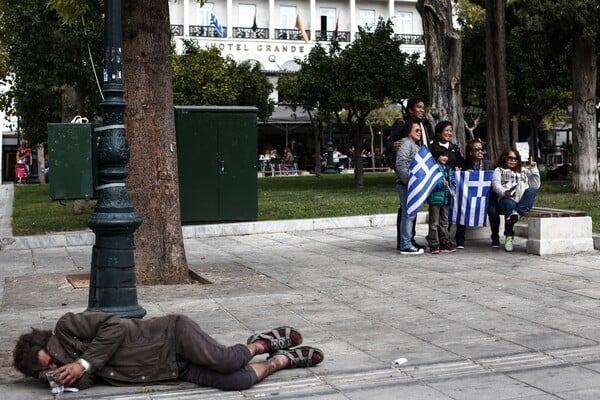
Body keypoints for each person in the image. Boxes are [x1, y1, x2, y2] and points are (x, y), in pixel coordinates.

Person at [13, 311, 324, 392]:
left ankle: (262, 342)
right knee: (236, 381)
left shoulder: (67, 326)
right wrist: (64, 379)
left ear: (46, 344)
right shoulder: (67, 373)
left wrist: (82, 361)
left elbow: (115, 327)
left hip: (172, 336)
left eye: (51, 359)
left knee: (227, 359)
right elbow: (86, 383)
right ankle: (281, 361)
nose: (56, 364)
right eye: (48, 368)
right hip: (170, 369)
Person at [386, 96, 434, 251]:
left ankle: (410, 239)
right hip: (408, 174)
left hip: (422, 172)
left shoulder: (426, 125)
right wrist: (392, 145)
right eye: (418, 107)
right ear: (411, 109)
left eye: (423, 107)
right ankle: (404, 241)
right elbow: (391, 143)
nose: (422, 110)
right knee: (406, 209)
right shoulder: (403, 125)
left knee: (413, 207)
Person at [492, 147, 541, 252]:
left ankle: (516, 214)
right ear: (504, 158)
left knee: (531, 191)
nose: (513, 160)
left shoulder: (524, 170)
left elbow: (536, 185)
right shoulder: (499, 170)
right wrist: (505, 192)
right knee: (510, 205)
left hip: (523, 201)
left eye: (516, 158)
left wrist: (534, 170)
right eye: (510, 158)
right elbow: (496, 185)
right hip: (507, 199)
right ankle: (509, 237)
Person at [455, 139, 501, 247]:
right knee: (462, 208)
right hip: (469, 197)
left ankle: (495, 238)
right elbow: (456, 178)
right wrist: (463, 173)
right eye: (477, 149)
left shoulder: (489, 165)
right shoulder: (464, 164)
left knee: (493, 211)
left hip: (487, 197)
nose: (480, 151)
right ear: (470, 152)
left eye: (482, 149)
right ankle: (460, 239)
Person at [395, 120, 425, 255]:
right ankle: (405, 244)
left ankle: (407, 242)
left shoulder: (413, 145)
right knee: (408, 214)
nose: (419, 132)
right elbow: (401, 164)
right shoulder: (406, 144)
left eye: (420, 130)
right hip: (406, 185)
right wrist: (409, 182)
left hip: (411, 186)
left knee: (410, 214)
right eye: (416, 130)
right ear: (409, 131)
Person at [426, 145, 456, 254]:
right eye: (442, 156)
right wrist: (440, 185)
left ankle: (444, 241)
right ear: (436, 157)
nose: (445, 158)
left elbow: (452, 182)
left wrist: (453, 190)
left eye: (446, 156)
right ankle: (433, 243)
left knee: (444, 222)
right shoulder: (434, 169)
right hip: (435, 199)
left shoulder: (448, 169)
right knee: (434, 223)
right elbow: (430, 184)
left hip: (446, 199)